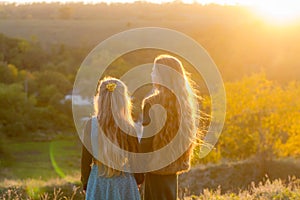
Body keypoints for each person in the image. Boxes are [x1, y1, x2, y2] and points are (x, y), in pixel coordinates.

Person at [141, 54, 199, 200]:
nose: (151, 74)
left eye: (154, 71)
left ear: (162, 75)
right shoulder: (185, 103)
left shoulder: (151, 102)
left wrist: (137, 170)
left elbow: (146, 141)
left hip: (153, 169)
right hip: (173, 168)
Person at [81, 77, 143, 200]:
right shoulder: (129, 128)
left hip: (98, 182)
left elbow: (85, 160)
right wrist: (139, 179)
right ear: (123, 101)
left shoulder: (90, 125)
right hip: (124, 183)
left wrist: (85, 183)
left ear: (99, 99)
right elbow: (136, 161)